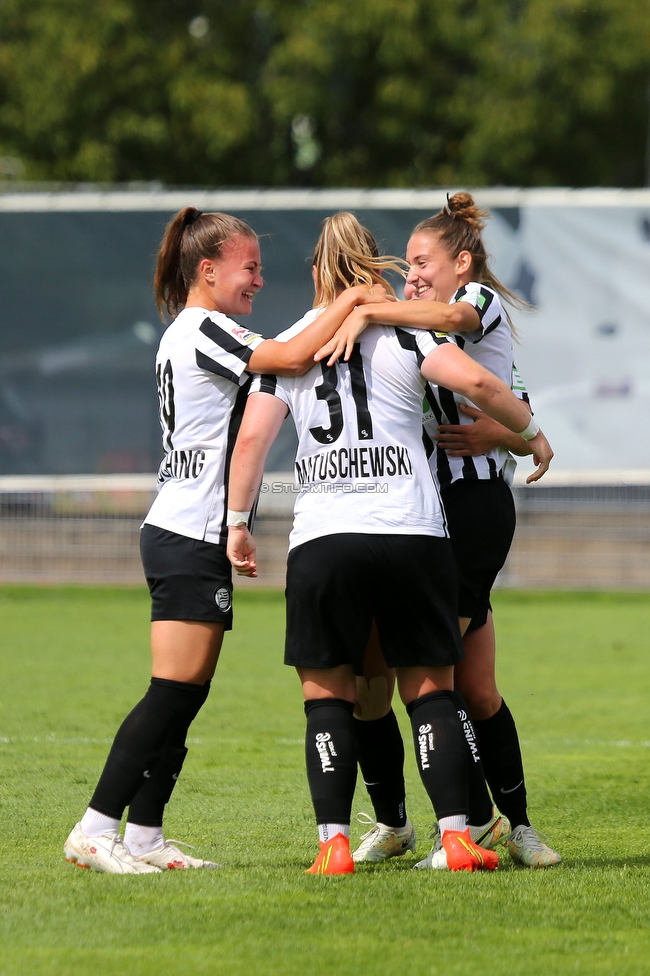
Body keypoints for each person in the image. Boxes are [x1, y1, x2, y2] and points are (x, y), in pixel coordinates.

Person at [63, 207, 391, 874]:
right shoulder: (205, 328)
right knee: (171, 690)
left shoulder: (191, 331)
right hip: (187, 530)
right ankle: (95, 827)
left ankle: (147, 835)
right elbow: (293, 355)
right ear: (207, 271)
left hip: (187, 530)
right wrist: (356, 294)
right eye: (250, 268)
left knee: (187, 691)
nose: (259, 281)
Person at [226, 211, 552, 874]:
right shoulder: (404, 330)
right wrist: (531, 431)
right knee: (420, 685)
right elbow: (482, 384)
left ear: (317, 272)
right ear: (375, 269)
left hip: (359, 531)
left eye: (425, 260)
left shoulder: (297, 343)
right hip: (414, 530)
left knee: (368, 691)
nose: (417, 275)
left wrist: (235, 520)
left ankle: (355, 841)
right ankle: (442, 831)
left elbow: (253, 440)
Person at [316, 193, 562, 869]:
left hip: (473, 513)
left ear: (461, 262)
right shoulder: (418, 335)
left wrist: (369, 305)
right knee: (467, 685)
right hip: (428, 522)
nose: (413, 273)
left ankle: (475, 824)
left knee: (426, 675)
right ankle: (501, 827)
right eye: (408, 265)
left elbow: (508, 406)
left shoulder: (474, 301)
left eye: (422, 262)